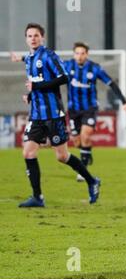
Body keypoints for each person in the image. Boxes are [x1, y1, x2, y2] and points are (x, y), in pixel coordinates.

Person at [10, 23, 101, 207]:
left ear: (42, 37)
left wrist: (36, 88)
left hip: (53, 115)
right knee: (28, 153)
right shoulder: (29, 59)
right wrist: (30, 95)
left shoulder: (49, 55)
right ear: (26, 39)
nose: (33, 38)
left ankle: (92, 181)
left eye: (36, 35)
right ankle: (37, 197)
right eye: (29, 35)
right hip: (36, 115)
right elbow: (36, 83)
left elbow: (64, 78)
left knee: (61, 156)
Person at [64, 42, 126, 181]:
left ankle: (83, 171)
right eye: (77, 53)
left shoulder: (95, 68)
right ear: (73, 54)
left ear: (87, 54)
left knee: (86, 135)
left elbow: (111, 84)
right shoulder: (67, 66)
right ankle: (87, 153)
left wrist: (124, 101)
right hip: (73, 110)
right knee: (77, 142)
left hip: (90, 108)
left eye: (83, 53)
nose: (80, 56)